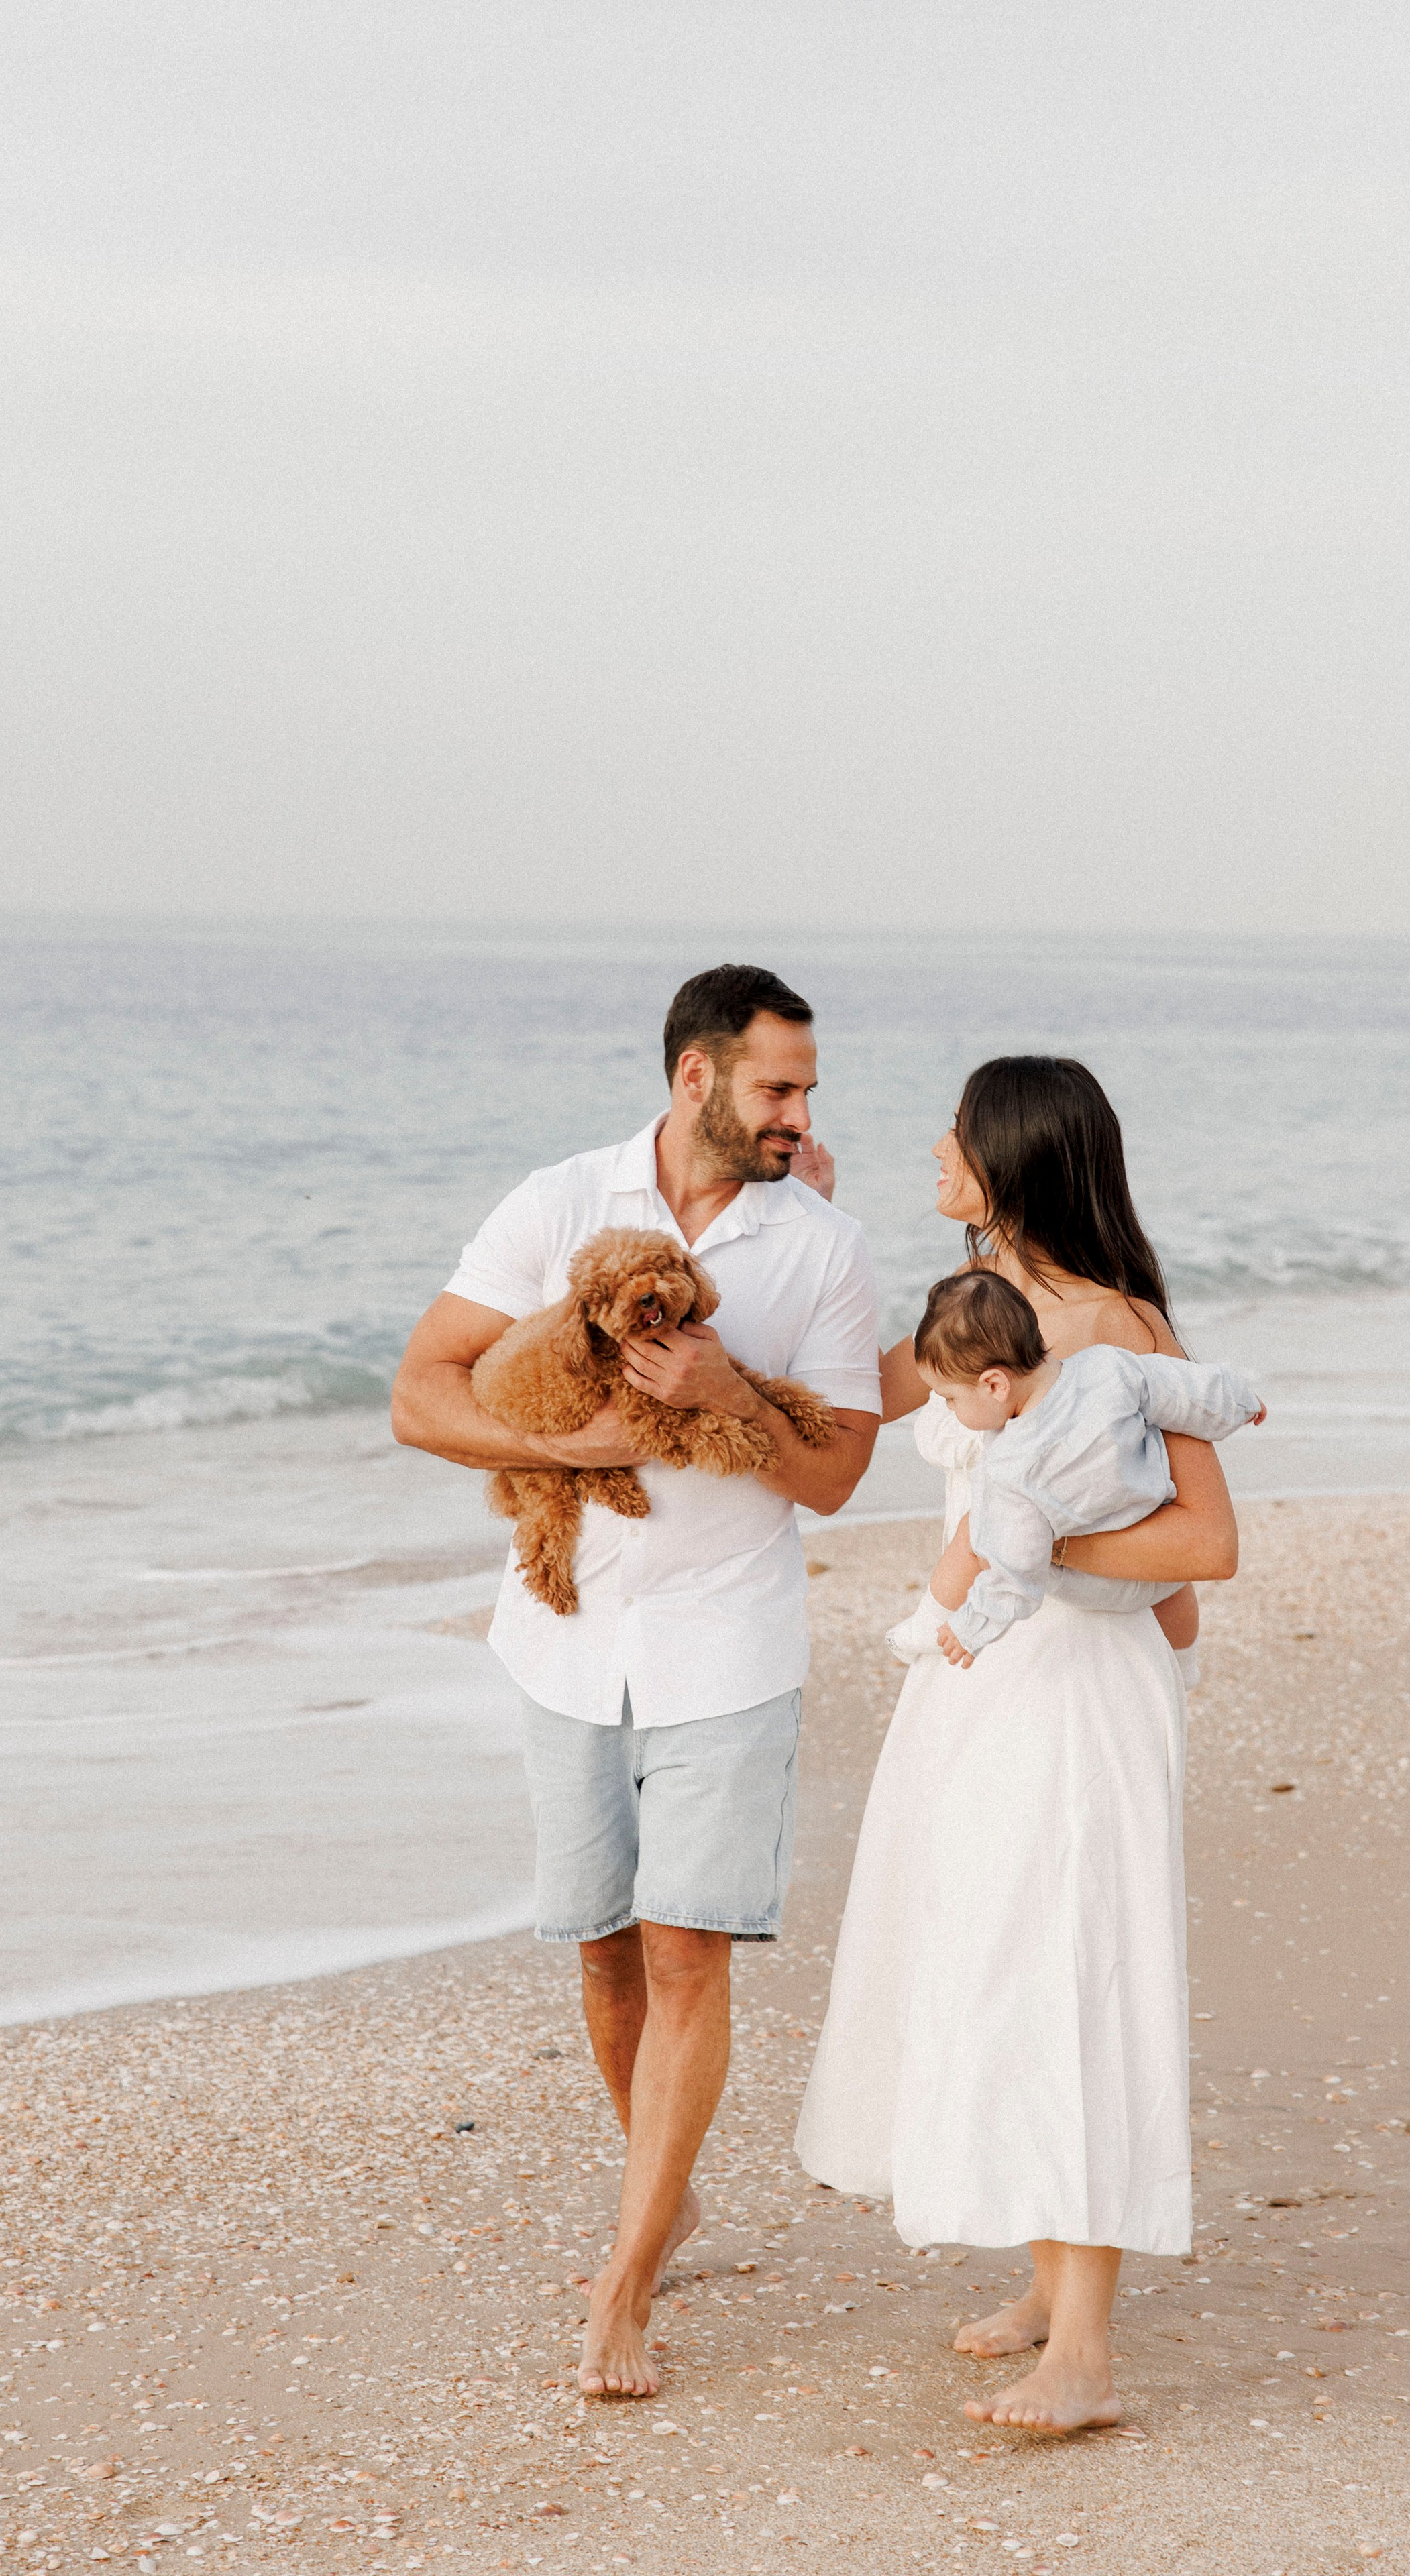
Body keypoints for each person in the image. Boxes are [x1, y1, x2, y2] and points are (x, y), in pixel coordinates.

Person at [392, 964, 881, 2399]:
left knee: (685, 1949)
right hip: (563, 1640)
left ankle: (623, 2279)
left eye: (808, 1091)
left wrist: (727, 1399)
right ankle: (660, 2201)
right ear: (695, 1080)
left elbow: (842, 1472)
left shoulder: (824, 1249)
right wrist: (577, 1453)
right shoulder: (557, 1204)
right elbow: (424, 1392)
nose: (799, 1114)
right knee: (605, 1948)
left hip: (728, 1639)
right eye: (776, 1088)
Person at [795, 1054, 1242, 2434]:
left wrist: (1030, 1548)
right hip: (976, 1689)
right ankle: (1051, 2288)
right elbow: (851, 1401)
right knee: (987, 1958)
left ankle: (1088, 2354)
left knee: (1065, 1972)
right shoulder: (976, 1319)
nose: (930, 1146)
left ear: (1010, 1160)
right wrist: (809, 1225)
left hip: (1073, 1692)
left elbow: (1205, 1543)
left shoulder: (1116, 1331)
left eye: (953, 1131)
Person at [885, 1269, 1262, 1667]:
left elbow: (1015, 1575)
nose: (949, 1408)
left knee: (975, 1539)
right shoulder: (1107, 1367)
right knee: (1175, 1592)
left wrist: (971, 1630)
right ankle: (1184, 1664)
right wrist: (1242, 1402)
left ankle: (927, 1624)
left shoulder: (1009, 1465)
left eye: (950, 1398)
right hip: (1157, 1564)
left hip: (1094, 1587)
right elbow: (1184, 1391)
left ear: (995, 1385)